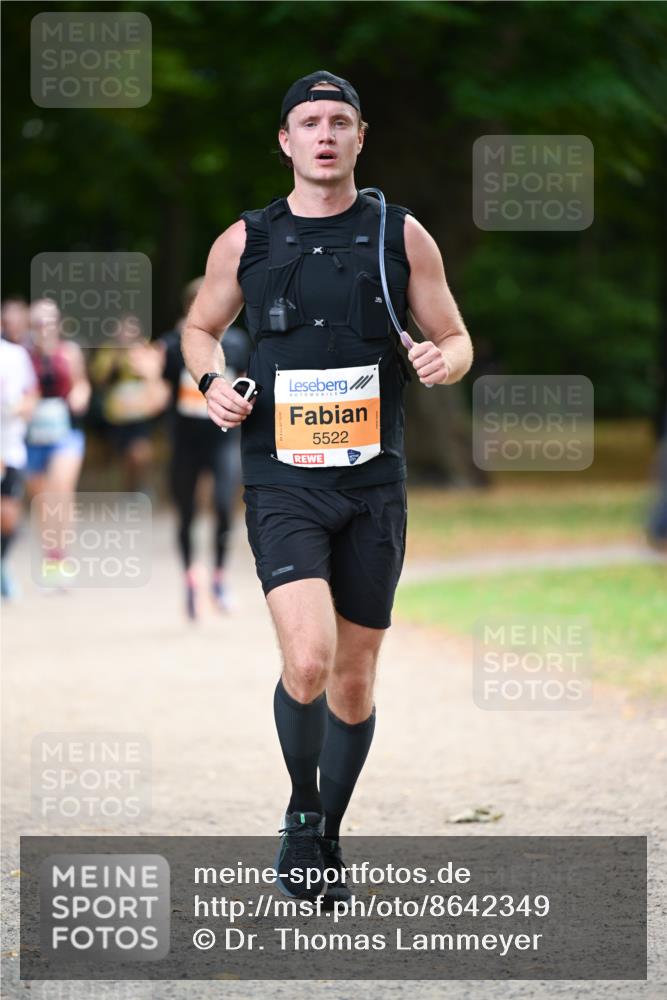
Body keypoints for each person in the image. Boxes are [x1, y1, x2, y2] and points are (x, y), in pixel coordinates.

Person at [182, 71, 473, 903]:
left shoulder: (399, 235)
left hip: (373, 484)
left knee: (353, 677)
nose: (323, 134)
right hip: (283, 480)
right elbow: (201, 328)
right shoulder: (247, 240)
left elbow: (455, 338)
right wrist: (212, 382)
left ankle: (325, 833)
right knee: (307, 660)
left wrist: (440, 361)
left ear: (359, 137)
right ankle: (302, 814)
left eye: (338, 121)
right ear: (285, 141)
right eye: (308, 122)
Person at [159, 279, 251, 619]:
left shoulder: (238, 342)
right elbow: (159, 390)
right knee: (186, 512)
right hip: (185, 441)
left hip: (223, 440)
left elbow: (247, 383)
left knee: (225, 506)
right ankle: (190, 580)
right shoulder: (172, 345)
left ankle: (219, 580)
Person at [25, 299, 91, 581]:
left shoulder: (69, 351)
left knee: (61, 493)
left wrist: (79, 396)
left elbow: (82, 383)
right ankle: (50, 555)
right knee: (42, 501)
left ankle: (60, 556)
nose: (44, 328)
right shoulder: (22, 355)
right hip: (32, 436)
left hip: (65, 434)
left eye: (49, 322)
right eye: (38, 323)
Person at [89, 316, 168, 493]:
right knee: (125, 456)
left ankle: (140, 486)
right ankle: (130, 488)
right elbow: (98, 378)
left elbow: (156, 374)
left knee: (140, 452)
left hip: (141, 413)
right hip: (117, 416)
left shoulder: (145, 349)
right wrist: (116, 361)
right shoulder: (109, 350)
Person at [1, 336, 38, 597]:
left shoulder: (15, 355)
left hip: (10, 448)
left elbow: (31, 393)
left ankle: (1, 562)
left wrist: (24, 407)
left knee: (7, 518)